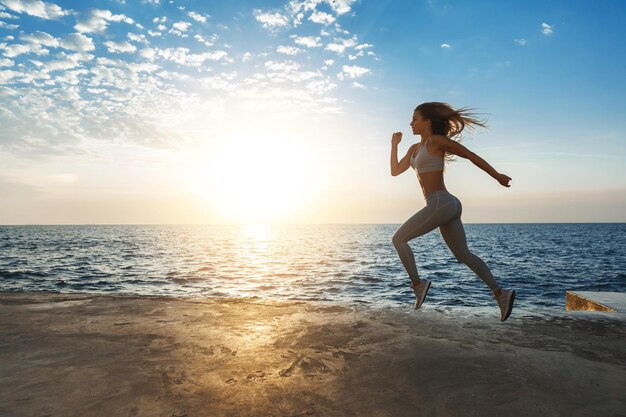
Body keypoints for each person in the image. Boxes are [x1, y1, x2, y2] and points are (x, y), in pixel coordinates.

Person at [390, 102, 515, 321]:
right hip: (445, 205)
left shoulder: (436, 141)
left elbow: (470, 155)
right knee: (462, 254)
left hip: (441, 203)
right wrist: (394, 145)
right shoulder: (414, 149)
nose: (411, 123)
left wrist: (497, 176)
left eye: (415, 119)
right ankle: (500, 294)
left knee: (399, 239)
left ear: (427, 121)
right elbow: (394, 171)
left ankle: (418, 285)